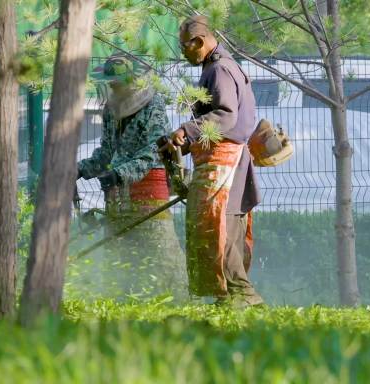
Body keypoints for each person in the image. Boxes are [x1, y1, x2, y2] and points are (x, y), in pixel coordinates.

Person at [160, 15, 263, 307]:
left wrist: (186, 130)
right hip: (227, 160)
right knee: (224, 226)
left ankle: (242, 295)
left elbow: (226, 115)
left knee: (219, 226)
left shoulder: (219, 69)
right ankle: (230, 297)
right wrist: (187, 143)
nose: (183, 53)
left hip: (225, 162)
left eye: (185, 47)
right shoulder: (220, 65)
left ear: (200, 41)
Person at [76, 54, 188, 301]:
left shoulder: (152, 105)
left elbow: (154, 150)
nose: (114, 87)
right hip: (117, 196)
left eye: (118, 82)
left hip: (149, 192)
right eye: (111, 83)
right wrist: (79, 170)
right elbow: (106, 152)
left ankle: (178, 302)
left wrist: (120, 174)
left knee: (161, 253)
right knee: (118, 256)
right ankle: (120, 300)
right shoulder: (110, 110)